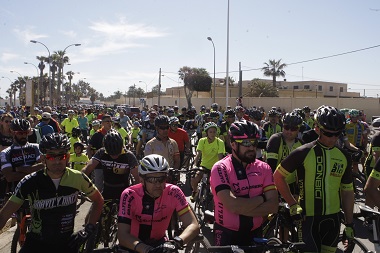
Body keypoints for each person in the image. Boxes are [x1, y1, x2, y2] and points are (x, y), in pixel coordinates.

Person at [0, 133, 104, 253]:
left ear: (68, 157)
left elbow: (98, 200)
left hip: (66, 243)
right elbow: (3, 215)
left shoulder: (78, 178)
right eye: (51, 157)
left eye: (62, 156)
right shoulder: (29, 181)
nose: (57, 161)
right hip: (36, 242)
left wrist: (88, 228)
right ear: (43, 159)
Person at [273, 105, 354, 253]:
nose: (334, 138)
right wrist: (292, 203)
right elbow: (278, 177)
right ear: (317, 128)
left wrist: (350, 224)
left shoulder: (344, 156)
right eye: (329, 134)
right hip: (308, 219)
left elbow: (347, 191)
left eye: (338, 134)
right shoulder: (303, 152)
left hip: (333, 219)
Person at [210, 121, 278, 246]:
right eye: (246, 143)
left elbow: (273, 206)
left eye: (254, 142)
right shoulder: (220, 168)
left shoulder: (264, 168)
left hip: (254, 233)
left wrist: (239, 208)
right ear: (233, 144)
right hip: (227, 234)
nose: (252, 147)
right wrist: (262, 198)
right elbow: (233, 205)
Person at [117, 154, 200, 252]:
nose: (158, 184)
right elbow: (122, 235)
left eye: (161, 179)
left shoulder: (174, 192)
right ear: (142, 180)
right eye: (152, 180)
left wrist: (176, 242)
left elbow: (193, 225)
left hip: (160, 244)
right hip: (132, 245)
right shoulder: (129, 195)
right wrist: (146, 249)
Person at [82, 129, 139, 199]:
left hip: (124, 192)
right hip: (107, 189)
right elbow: (88, 168)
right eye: (111, 154)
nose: (114, 156)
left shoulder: (129, 156)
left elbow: (137, 178)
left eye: (117, 153)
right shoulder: (101, 152)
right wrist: (77, 183)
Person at [1, 119, 45, 192]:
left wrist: (21, 169)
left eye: (26, 132)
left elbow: (45, 166)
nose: (24, 135)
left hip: (37, 189)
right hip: (17, 191)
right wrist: (34, 171)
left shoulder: (36, 147)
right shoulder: (5, 153)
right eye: (20, 133)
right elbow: (10, 177)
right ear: (12, 132)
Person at [266, 112, 303, 194]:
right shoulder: (275, 139)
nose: (289, 131)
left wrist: (297, 191)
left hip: (292, 185)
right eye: (286, 127)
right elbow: (271, 166)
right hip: (275, 183)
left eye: (293, 129)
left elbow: (302, 170)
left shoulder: (301, 144)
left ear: (298, 130)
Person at [190, 122, 225, 202]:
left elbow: (220, 157)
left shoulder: (220, 142)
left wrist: (219, 168)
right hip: (204, 166)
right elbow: (198, 154)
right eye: (210, 132)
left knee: (213, 186)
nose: (213, 134)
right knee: (194, 179)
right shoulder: (202, 141)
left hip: (215, 167)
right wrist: (195, 165)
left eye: (214, 132)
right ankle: (195, 191)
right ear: (206, 133)